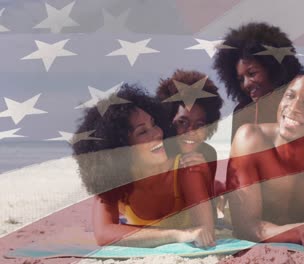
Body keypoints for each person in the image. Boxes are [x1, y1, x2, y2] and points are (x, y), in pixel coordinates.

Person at [72, 84, 215, 247]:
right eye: (142, 132)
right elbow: (103, 234)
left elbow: (205, 233)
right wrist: (177, 235)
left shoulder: (186, 169)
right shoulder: (112, 180)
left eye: (154, 124)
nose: (157, 133)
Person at [226, 71, 304, 251]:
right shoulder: (250, 140)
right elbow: (245, 227)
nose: (293, 107)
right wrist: (297, 232)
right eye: (290, 95)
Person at [213, 22, 304, 140]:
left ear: (273, 68)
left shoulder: (300, 107)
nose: (246, 84)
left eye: (252, 74)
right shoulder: (243, 112)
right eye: (240, 79)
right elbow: (236, 157)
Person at [156, 70, 224, 199]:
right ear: (167, 120)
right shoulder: (155, 153)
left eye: (200, 125)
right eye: (182, 122)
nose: (192, 131)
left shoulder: (208, 153)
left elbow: (209, 208)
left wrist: (207, 177)